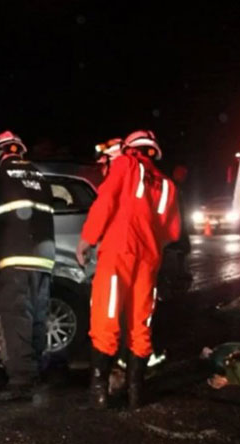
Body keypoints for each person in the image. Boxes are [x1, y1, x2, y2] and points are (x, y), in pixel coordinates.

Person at [76, 130, 181, 409]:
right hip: (149, 258)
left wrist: (87, 240)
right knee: (140, 322)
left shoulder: (125, 164)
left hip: (118, 251)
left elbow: (106, 201)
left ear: (129, 148)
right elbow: (173, 231)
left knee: (106, 317)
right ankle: (137, 394)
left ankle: (99, 395)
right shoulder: (168, 185)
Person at [0, 131, 55, 399]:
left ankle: (21, 380)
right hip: (45, 257)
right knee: (37, 315)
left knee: (16, 318)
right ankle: (34, 370)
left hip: (15, 256)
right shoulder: (40, 176)